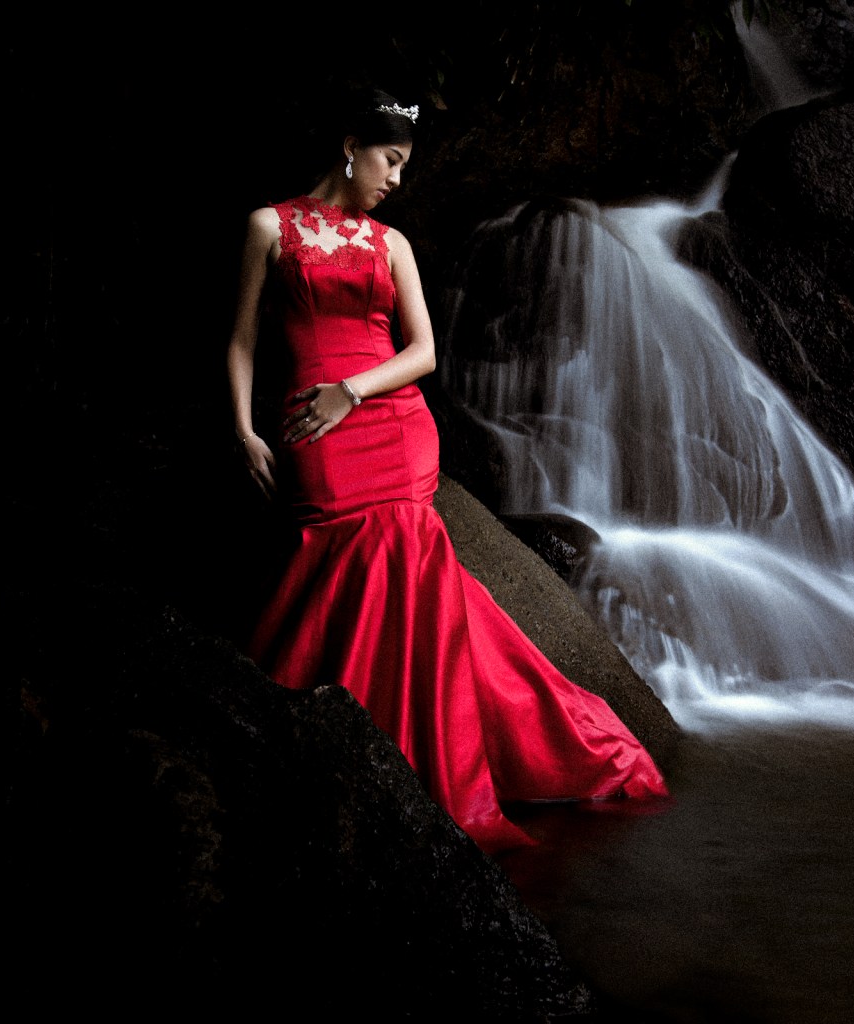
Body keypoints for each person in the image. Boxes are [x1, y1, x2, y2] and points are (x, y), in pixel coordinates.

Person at [227, 88, 666, 852]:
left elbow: (424, 352)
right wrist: (242, 431)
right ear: (349, 146)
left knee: (411, 560)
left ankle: (418, 757)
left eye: (404, 166)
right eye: (390, 161)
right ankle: (337, 737)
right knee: (342, 563)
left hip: (389, 423)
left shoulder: (390, 244)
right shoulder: (269, 226)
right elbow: (239, 343)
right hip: (312, 432)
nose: (396, 179)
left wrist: (352, 391)